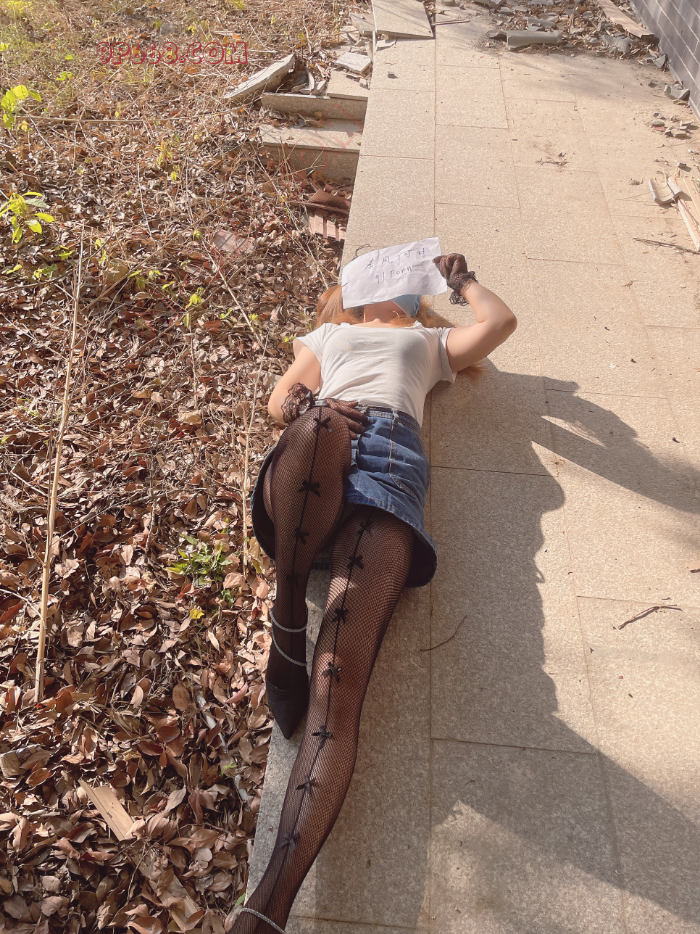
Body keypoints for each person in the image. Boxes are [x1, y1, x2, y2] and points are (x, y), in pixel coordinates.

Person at [235, 252, 517, 933]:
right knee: (322, 425)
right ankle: (288, 616)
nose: (391, 285)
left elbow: (501, 323)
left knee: (338, 695)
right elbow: (279, 401)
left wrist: (462, 282)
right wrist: (304, 406)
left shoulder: (428, 342)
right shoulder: (330, 335)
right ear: (354, 295)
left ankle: (266, 910)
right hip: (318, 448)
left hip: (391, 469)